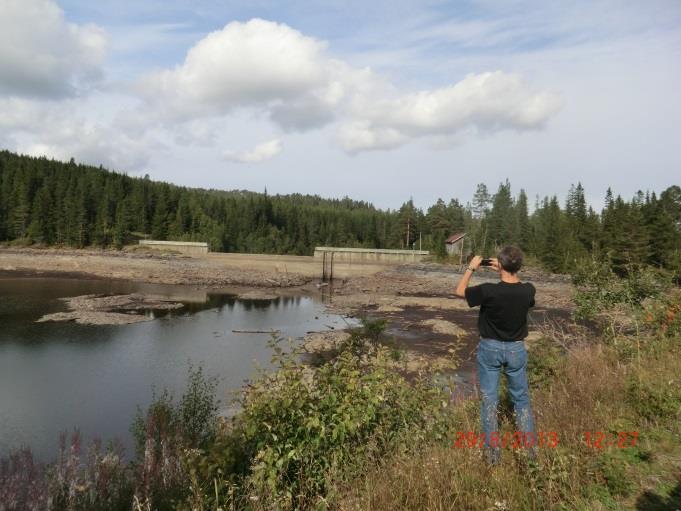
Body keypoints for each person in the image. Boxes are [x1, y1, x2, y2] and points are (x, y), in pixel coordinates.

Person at [454, 245, 536, 464]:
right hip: (516, 349)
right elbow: (516, 285)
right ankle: (529, 454)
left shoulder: (489, 290)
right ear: (518, 266)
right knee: (521, 400)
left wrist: (471, 268)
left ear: (499, 265)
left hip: (490, 348)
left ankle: (493, 456)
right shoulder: (529, 290)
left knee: (489, 401)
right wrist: (504, 269)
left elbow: (460, 291)